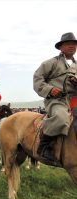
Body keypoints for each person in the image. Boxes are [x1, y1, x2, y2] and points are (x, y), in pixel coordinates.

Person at [34, 32, 77, 164]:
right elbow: (37, 80)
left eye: (74, 44)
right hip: (56, 100)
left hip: (74, 100)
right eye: (68, 44)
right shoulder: (50, 63)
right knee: (61, 118)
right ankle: (44, 146)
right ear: (61, 47)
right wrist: (50, 89)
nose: (72, 46)